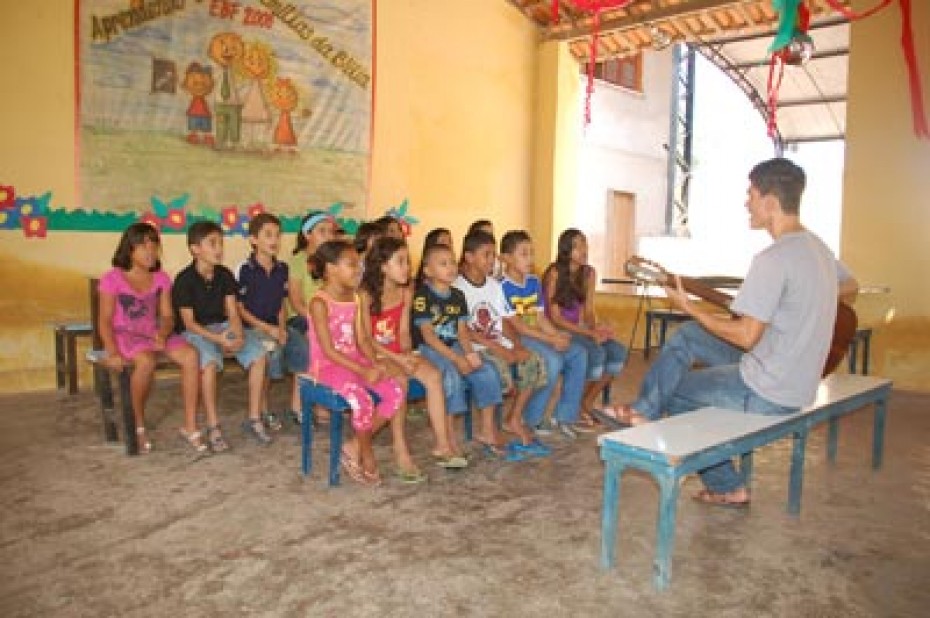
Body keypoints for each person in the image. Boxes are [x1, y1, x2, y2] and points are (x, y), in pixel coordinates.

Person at [609, 158, 850, 508]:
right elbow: (850, 287)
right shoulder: (820, 250)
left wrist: (690, 306)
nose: (746, 202)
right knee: (688, 337)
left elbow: (746, 336)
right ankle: (644, 409)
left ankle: (726, 484)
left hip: (769, 388)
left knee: (677, 393)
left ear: (770, 202)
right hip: (796, 378)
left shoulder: (773, 259)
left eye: (750, 193)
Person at [360, 236, 468, 476]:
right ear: (382, 266)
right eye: (400, 262)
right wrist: (399, 361)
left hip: (396, 353)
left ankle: (441, 444)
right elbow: (366, 340)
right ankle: (401, 450)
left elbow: (404, 333)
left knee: (434, 376)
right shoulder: (365, 296)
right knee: (400, 382)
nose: (407, 267)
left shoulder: (405, 292)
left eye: (407, 261)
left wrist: (407, 355)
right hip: (372, 355)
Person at [97, 223, 201, 454]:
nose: (150, 252)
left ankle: (191, 425)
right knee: (146, 361)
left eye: (154, 246)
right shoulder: (112, 279)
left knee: (191, 355)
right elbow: (104, 320)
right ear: (129, 249)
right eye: (143, 246)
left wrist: (163, 334)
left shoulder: (161, 278)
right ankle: (137, 424)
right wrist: (111, 351)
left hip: (152, 332)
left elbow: (166, 315)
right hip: (125, 335)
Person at [307, 240, 404, 486]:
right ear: (330, 269)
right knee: (361, 400)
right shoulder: (320, 302)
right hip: (327, 367)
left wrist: (374, 363)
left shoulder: (357, 298)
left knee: (394, 391)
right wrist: (363, 370)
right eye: (352, 264)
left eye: (359, 264)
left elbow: (362, 339)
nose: (359, 269)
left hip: (354, 360)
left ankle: (352, 446)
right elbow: (328, 350)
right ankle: (367, 454)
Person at [455, 230, 550, 460]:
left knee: (532, 360)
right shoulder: (458, 288)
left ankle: (513, 418)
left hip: (497, 342)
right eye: (486, 255)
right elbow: (466, 330)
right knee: (498, 369)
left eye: (493, 254)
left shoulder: (494, 286)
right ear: (469, 257)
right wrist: (502, 351)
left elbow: (504, 320)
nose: (492, 260)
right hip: (475, 345)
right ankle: (489, 430)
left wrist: (516, 346)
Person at [172, 221, 269, 448]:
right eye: (212, 243)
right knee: (208, 364)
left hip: (222, 327)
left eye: (220, 243)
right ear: (195, 249)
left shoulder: (224, 275)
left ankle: (254, 418)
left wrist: (237, 333)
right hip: (195, 332)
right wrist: (218, 340)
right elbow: (189, 323)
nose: (218, 249)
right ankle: (213, 425)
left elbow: (232, 311)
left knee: (259, 355)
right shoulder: (184, 280)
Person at [412, 243, 505, 457]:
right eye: (443, 264)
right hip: (432, 349)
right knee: (451, 377)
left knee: (487, 370)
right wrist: (456, 359)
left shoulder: (458, 296)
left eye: (452, 262)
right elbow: (428, 336)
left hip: (454, 345)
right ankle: (448, 437)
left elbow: (462, 332)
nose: (451, 267)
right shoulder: (422, 296)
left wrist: (470, 354)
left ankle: (487, 430)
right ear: (428, 271)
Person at [499, 230, 589, 439]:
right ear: (506, 259)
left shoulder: (532, 282)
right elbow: (518, 327)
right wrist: (551, 339)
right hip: (517, 339)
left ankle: (565, 416)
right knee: (553, 361)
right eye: (524, 253)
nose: (530, 258)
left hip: (537, 335)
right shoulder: (502, 287)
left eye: (531, 253)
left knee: (578, 353)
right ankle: (533, 418)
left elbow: (540, 318)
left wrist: (557, 334)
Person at [542, 229, 628, 428]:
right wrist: (590, 334)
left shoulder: (589, 273)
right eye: (578, 246)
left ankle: (586, 402)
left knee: (618, 352)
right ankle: (571, 407)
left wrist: (597, 328)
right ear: (566, 249)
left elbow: (589, 310)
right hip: (558, 330)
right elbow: (555, 319)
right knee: (596, 354)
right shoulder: (554, 273)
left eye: (585, 244)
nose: (584, 250)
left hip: (580, 329)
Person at [235, 213, 289, 431]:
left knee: (283, 350)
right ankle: (256, 415)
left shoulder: (282, 269)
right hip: (250, 327)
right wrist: (269, 329)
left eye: (277, 235)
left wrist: (282, 329)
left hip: (273, 327)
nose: (274, 240)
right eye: (268, 235)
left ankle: (265, 408)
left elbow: (281, 305)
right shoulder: (244, 269)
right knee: (264, 353)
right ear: (253, 240)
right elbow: (240, 310)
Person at [285, 210, 337, 423]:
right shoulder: (298, 262)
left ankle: (324, 401)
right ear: (308, 235)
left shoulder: (331, 263)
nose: (328, 236)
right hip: (302, 319)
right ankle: (300, 404)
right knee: (314, 346)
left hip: (325, 318)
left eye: (330, 232)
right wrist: (319, 322)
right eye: (321, 231)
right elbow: (297, 302)